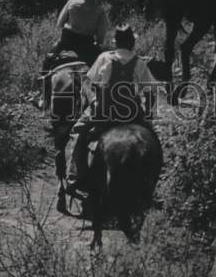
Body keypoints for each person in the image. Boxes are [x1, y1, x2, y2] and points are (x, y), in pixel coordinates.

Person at [66, 23, 160, 191]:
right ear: (132, 42)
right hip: (131, 114)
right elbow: (151, 92)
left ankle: (74, 175)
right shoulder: (140, 63)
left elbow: (88, 82)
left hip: (103, 111)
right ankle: (157, 179)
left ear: (116, 42)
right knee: (153, 138)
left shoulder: (104, 58)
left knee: (77, 133)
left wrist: (94, 99)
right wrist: (148, 115)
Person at [52, 0, 110, 67]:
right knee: (100, 67)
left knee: (50, 57)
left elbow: (60, 23)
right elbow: (100, 37)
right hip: (86, 45)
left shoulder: (72, 1)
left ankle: (43, 76)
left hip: (67, 40)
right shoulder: (100, 10)